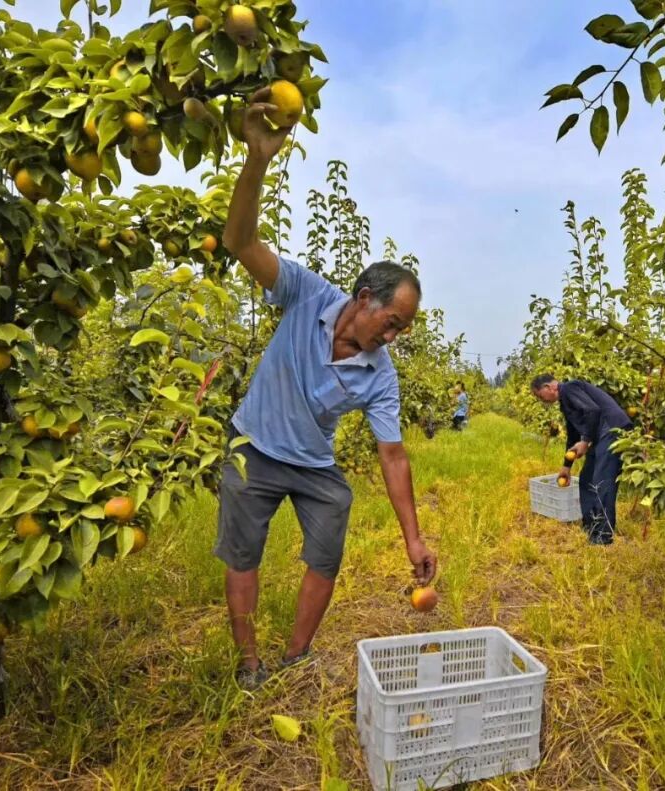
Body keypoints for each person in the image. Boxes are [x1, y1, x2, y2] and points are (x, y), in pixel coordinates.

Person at [217, 87, 438, 686]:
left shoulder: (380, 376)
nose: (393, 337)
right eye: (392, 323)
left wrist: (413, 539)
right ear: (363, 300)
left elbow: (392, 456)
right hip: (254, 447)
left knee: (328, 541)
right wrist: (257, 160)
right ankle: (248, 662)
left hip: (313, 464)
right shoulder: (305, 293)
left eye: (403, 330)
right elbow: (241, 243)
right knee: (243, 553)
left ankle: (295, 656)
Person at [530, 374, 632, 545]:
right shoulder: (566, 402)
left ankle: (602, 536)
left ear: (549, 387)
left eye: (540, 396)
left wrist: (585, 441)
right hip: (600, 434)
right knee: (587, 480)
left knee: (602, 482)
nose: (542, 400)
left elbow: (593, 411)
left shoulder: (569, 388)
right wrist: (566, 466)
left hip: (613, 430)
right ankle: (591, 526)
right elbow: (573, 434)